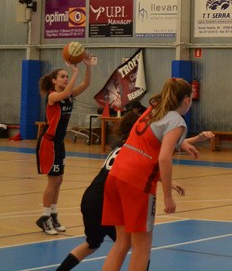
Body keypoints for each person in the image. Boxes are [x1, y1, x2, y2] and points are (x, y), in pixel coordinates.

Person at [55, 107, 215, 271]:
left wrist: (169, 180)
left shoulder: (123, 146)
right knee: (138, 245)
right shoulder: (139, 148)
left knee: (94, 244)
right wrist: (167, 191)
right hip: (112, 196)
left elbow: (168, 144)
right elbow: (161, 151)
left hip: (91, 197)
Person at [101, 78, 200, 271]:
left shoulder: (153, 109)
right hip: (138, 183)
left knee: (122, 243)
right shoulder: (176, 121)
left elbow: (154, 134)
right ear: (187, 100)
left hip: (116, 176)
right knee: (142, 248)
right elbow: (164, 158)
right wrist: (168, 196)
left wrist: (181, 142)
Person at [35, 53, 93, 236]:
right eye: (63, 76)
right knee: (52, 181)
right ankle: (44, 217)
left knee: (59, 181)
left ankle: (53, 214)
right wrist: (75, 71)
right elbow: (66, 92)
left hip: (59, 143)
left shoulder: (69, 96)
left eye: (67, 76)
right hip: (48, 142)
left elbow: (86, 84)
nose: (66, 78)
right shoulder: (53, 96)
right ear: (54, 81)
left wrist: (88, 66)